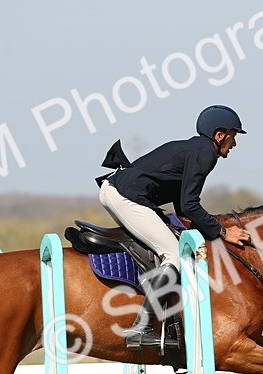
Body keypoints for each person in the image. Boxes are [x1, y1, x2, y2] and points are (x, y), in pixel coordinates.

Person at [98, 105, 252, 349]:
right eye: (233, 137)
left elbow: (182, 206)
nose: (234, 144)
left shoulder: (194, 148)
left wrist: (209, 227)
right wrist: (223, 232)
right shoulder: (206, 154)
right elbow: (190, 205)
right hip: (125, 196)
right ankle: (140, 329)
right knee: (174, 255)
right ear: (219, 135)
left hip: (117, 190)